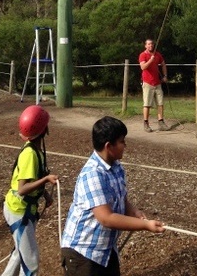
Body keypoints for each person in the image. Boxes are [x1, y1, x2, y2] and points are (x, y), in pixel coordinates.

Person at [61, 116, 164, 275]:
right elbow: (106, 218)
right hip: (83, 252)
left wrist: (134, 212)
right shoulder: (93, 174)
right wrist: (145, 226)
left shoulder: (116, 167)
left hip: (105, 250)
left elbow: (121, 199)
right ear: (109, 146)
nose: (125, 145)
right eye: (122, 141)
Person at [0, 105, 59, 276]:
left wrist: (45, 193)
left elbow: (32, 181)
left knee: (20, 253)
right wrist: (46, 180)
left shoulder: (35, 150)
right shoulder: (30, 154)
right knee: (31, 262)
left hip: (24, 209)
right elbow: (22, 189)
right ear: (44, 130)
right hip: (19, 211)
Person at [139, 39, 168, 132]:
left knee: (160, 103)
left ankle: (161, 122)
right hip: (148, 83)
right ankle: (146, 123)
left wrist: (165, 76)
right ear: (145, 46)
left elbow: (163, 64)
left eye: (152, 44)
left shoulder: (157, 54)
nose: (151, 45)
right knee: (147, 104)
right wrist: (150, 60)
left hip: (158, 83)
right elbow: (143, 67)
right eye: (149, 44)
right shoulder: (143, 55)